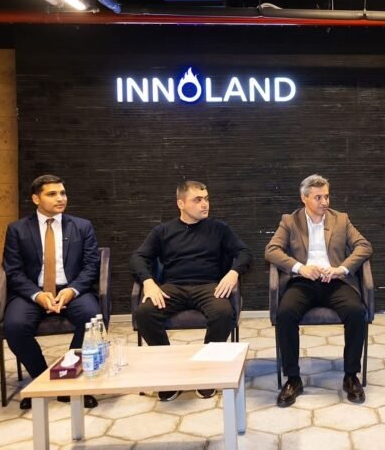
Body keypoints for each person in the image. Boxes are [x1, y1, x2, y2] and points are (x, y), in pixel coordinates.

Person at [130, 180, 253, 401]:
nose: (205, 204)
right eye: (198, 200)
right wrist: (148, 282)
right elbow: (138, 257)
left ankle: (207, 371)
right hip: (173, 287)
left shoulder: (219, 229)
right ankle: (168, 372)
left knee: (223, 313)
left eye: (206, 199)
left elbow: (244, 252)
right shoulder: (163, 231)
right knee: (144, 313)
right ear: (181, 203)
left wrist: (233, 273)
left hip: (208, 286)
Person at [265, 174, 372, 407]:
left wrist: (341, 269)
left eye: (327, 196)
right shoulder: (290, 221)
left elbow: (364, 246)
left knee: (356, 312)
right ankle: (293, 378)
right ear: (304, 198)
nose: (325, 202)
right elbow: (271, 250)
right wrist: (300, 268)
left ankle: (350, 375)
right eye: (318, 197)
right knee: (285, 314)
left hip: (335, 281)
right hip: (303, 282)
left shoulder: (341, 219)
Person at [2, 174, 101, 410]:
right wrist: (37, 295)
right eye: (52, 194)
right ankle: (42, 381)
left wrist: (72, 290)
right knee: (14, 326)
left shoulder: (82, 226)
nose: (60, 198)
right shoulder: (17, 229)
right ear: (36, 199)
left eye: (63, 193)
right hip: (32, 292)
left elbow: (91, 266)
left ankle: (70, 381)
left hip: (72, 289)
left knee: (92, 318)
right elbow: (13, 271)